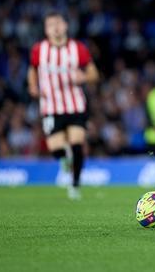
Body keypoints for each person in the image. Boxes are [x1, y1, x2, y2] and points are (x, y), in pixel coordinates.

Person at [27, 11, 100, 200]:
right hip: (51, 107)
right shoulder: (39, 50)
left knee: (77, 144)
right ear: (46, 30)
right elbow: (33, 70)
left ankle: (75, 185)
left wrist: (84, 77)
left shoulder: (78, 48)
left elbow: (94, 74)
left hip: (75, 105)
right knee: (56, 150)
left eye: (58, 23)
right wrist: (33, 86)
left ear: (66, 26)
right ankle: (65, 158)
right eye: (51, 25)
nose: (56, 28)